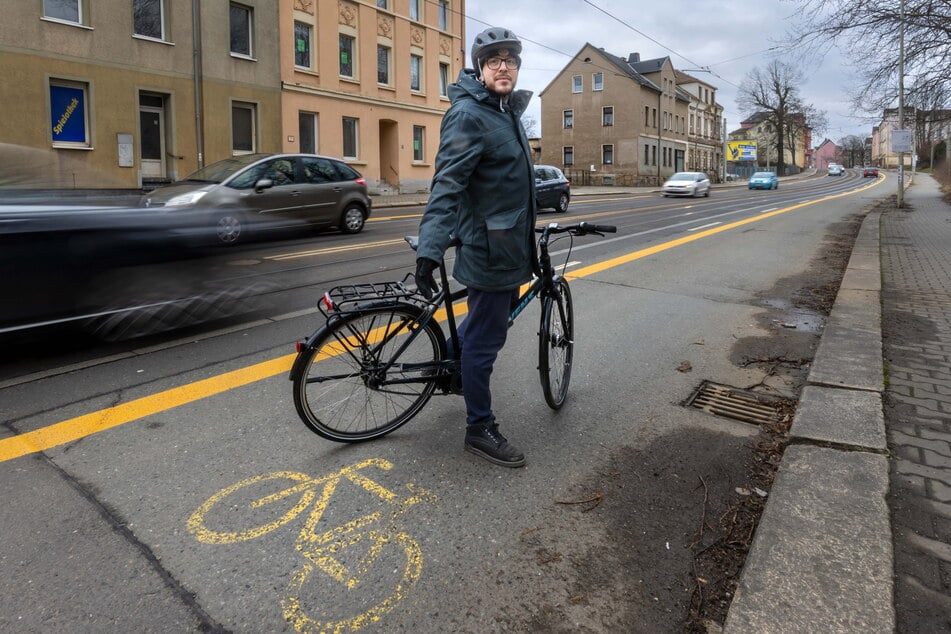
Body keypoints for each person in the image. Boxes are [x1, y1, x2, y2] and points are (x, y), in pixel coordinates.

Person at [414, 26, 538, 468]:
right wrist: (429, 249)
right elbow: (447, 185)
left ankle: (446, 365)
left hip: (509, 247)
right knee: (486, 339)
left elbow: (508, 185)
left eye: (511, 60)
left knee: (483, 327)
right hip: (489, 252)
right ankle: (478, 428)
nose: (504, 66)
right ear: (480, 68)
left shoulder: (505, 112)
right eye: (494, 60)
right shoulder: (470, 115)